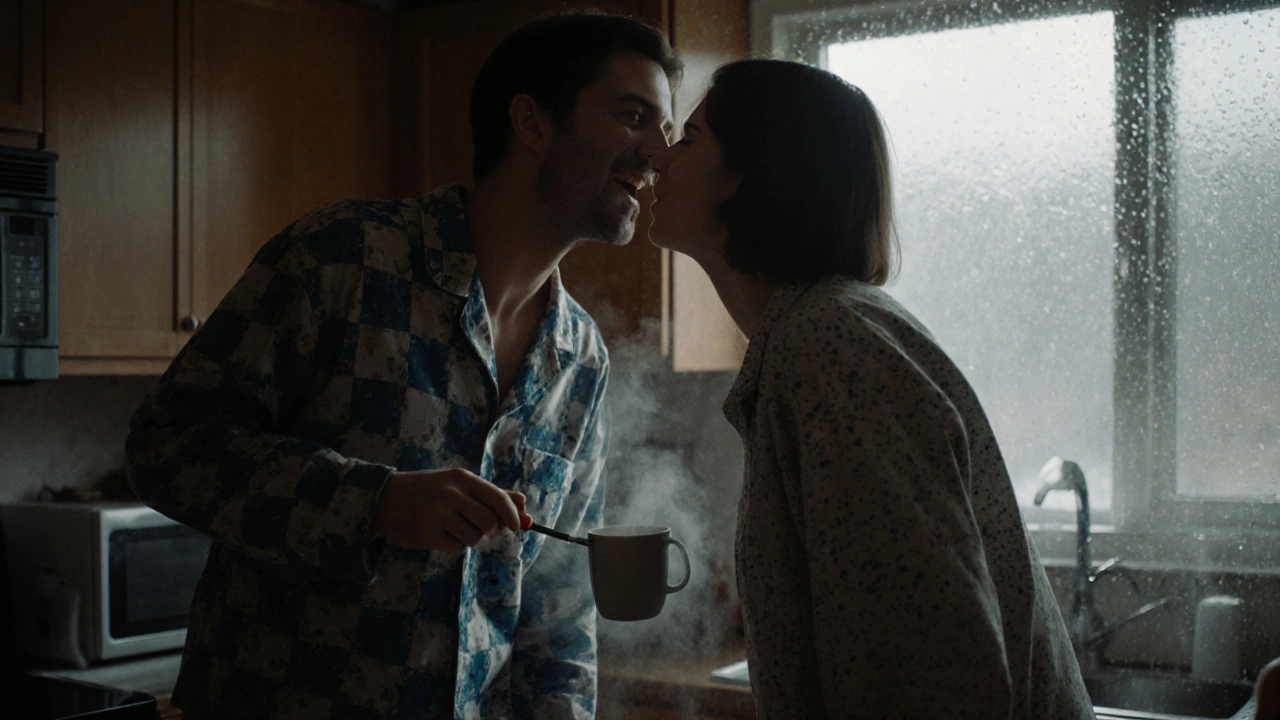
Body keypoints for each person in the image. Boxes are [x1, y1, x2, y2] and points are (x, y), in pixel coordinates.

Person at [125, 13, 679, 720]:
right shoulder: (347, 256)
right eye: (634, 116)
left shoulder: (580, 357)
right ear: (533, 123)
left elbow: (558, 618)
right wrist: (374, 503)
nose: (658, 155)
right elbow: (165, 445)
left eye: (665, 131)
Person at [648, 59, 1095, 719]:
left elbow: (930, 680)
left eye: (688, 139)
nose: (659, 158)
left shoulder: (830, 347)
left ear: (752, 176)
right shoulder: (818, 331)